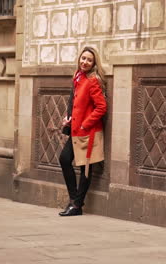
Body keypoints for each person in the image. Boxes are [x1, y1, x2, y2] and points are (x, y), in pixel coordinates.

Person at [58, 46, 107, 216]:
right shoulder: (78, 78)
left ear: (94, 63)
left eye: (89, 60)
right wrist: (68, 119)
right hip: (75, 130)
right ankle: (75, 201)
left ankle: (76, 205)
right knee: (65, 159)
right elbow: (75, 103)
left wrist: (85, 124)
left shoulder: (92, 80)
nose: (85, 62)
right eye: (83, 58)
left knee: (86, 168)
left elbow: (101, 107)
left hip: (88, 132)